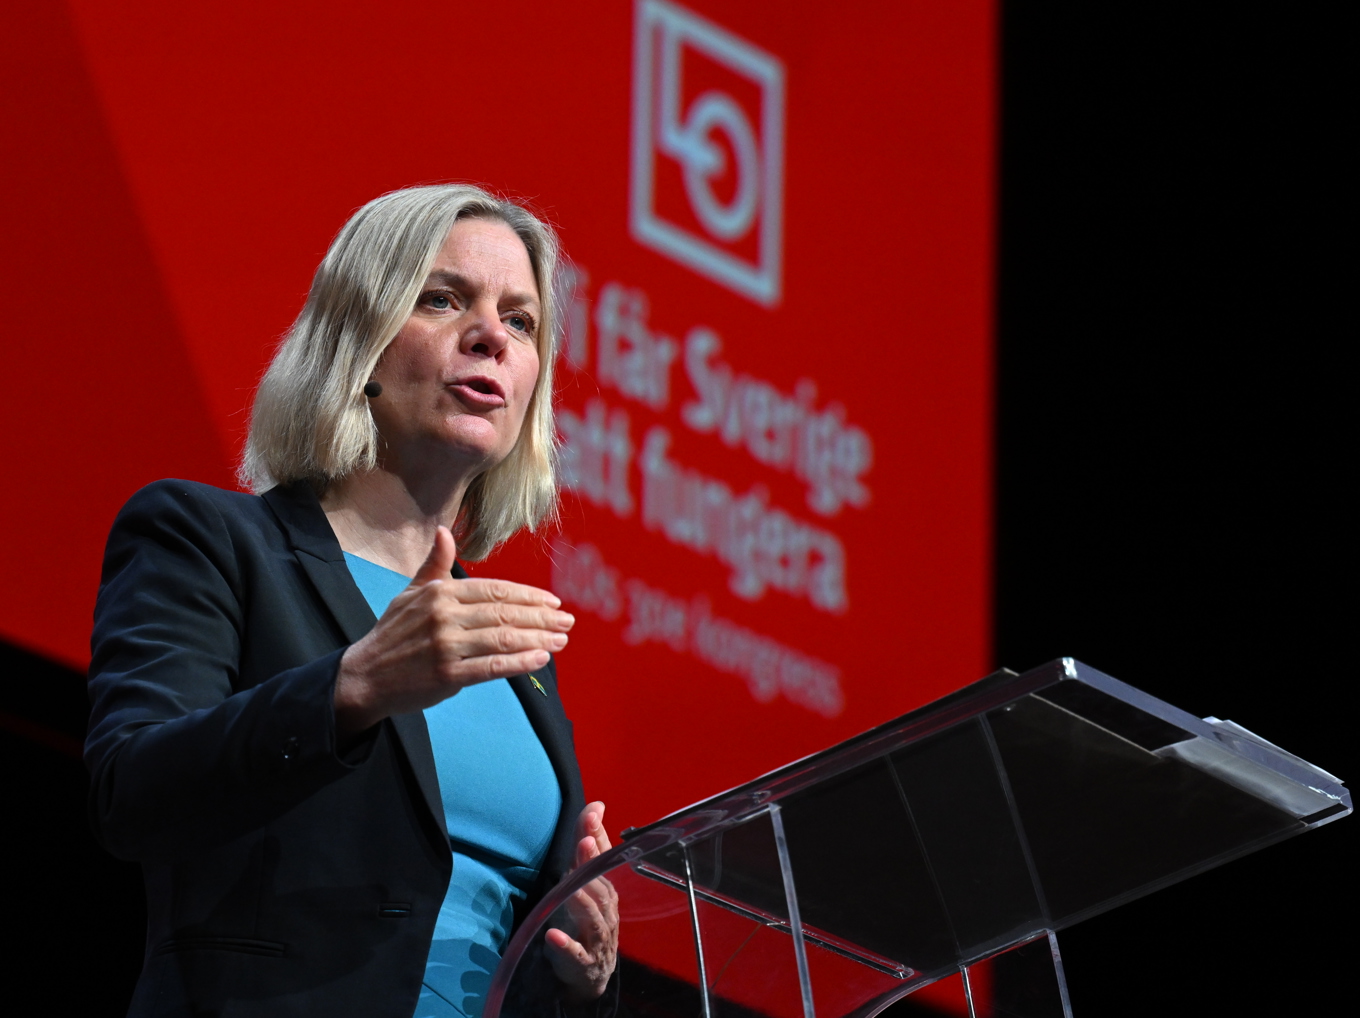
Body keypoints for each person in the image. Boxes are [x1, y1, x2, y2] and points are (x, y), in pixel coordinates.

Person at [85, 184, 619, 1017]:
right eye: (443, 300)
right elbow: (133, 793)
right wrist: (352, 687)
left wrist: (577, 968)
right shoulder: (211, 541)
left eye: (521, 322)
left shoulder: (515, 653)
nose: (492, 337)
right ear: (358, 344)